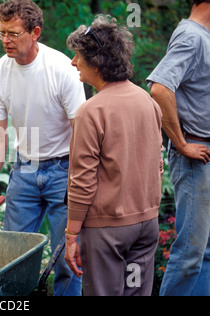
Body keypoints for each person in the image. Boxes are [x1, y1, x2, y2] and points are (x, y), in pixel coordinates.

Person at [0, 0, 86, 296]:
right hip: (24, 171)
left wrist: (81, 183)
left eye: (13, 34)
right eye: (1, 33)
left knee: (69, 259)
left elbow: (82, 132)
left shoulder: (62, 69)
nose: (5, 41)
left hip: (65, 170)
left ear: (35, 32)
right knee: (13, 257)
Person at [64, 16, 164, 296]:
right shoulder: (147, 101)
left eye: (77, 56)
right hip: (146, 225)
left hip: (107, 229)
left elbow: (82, 180)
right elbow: (157, 163)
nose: (73, 62)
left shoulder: (91, 111)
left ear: (96, 62)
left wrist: (72, 234)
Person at [147, 0, 210, 296]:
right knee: (190, 254)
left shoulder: (201, 35)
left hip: (204, 155)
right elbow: (159, 88)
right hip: (197, 159)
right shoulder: (191, 36)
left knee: (205, 252)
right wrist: (182, 144)